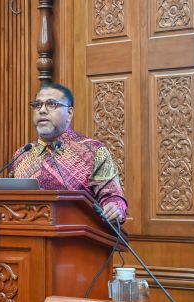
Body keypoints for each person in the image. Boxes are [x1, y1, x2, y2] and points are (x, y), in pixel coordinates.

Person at [9, 83, 127, 222]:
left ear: (69, 113)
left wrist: (115, 208)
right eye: (37, 105)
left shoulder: (93, 151)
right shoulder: (22, 154)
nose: (42, 110)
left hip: (79, 233)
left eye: (51, 104)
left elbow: (113, 197)